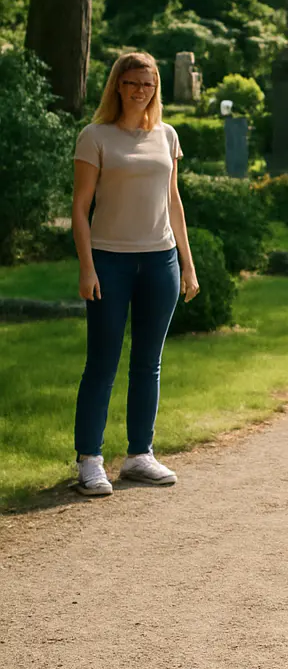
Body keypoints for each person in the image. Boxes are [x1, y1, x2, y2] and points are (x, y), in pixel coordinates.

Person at [71, 51, 200, 496]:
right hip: (110, 261)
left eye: (148, 83)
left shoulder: (167, 135)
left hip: (160, 262)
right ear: (117, 86)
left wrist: (187, 263)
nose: (140, 91)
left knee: (149, 362)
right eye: (132, 83)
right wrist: (87, 267)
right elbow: (80, 208)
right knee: (102, 363)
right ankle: (89, 460)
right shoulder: (95, 136)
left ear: (155, 88)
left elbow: (173, 201)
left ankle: (140, 455)